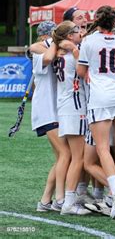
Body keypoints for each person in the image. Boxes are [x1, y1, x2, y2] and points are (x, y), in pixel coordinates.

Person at [76, 5, 115, 219]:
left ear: (96, 19)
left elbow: (81, 71)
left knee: (103, 148)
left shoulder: (89, 41)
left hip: (100, 98)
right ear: (114, 23)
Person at [30, 21, 70, 212]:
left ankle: (45, 201)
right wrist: (55, 42)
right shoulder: (39, 52)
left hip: (57, 109)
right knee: (65, 154)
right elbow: (46, 58)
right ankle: (59, 198)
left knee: (61, 157)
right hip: (46, 110)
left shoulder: (51, 48)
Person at [51, 21, 90, 215]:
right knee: (79, 158)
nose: (80, 32)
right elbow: (86, 72)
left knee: (76, 157)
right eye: (76, 30)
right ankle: (69, 202)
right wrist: (75, 49)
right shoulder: (72, 54)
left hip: (67, 107)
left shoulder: (61, 52)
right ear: (68, 36)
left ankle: (69, 198)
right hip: (75, 107)